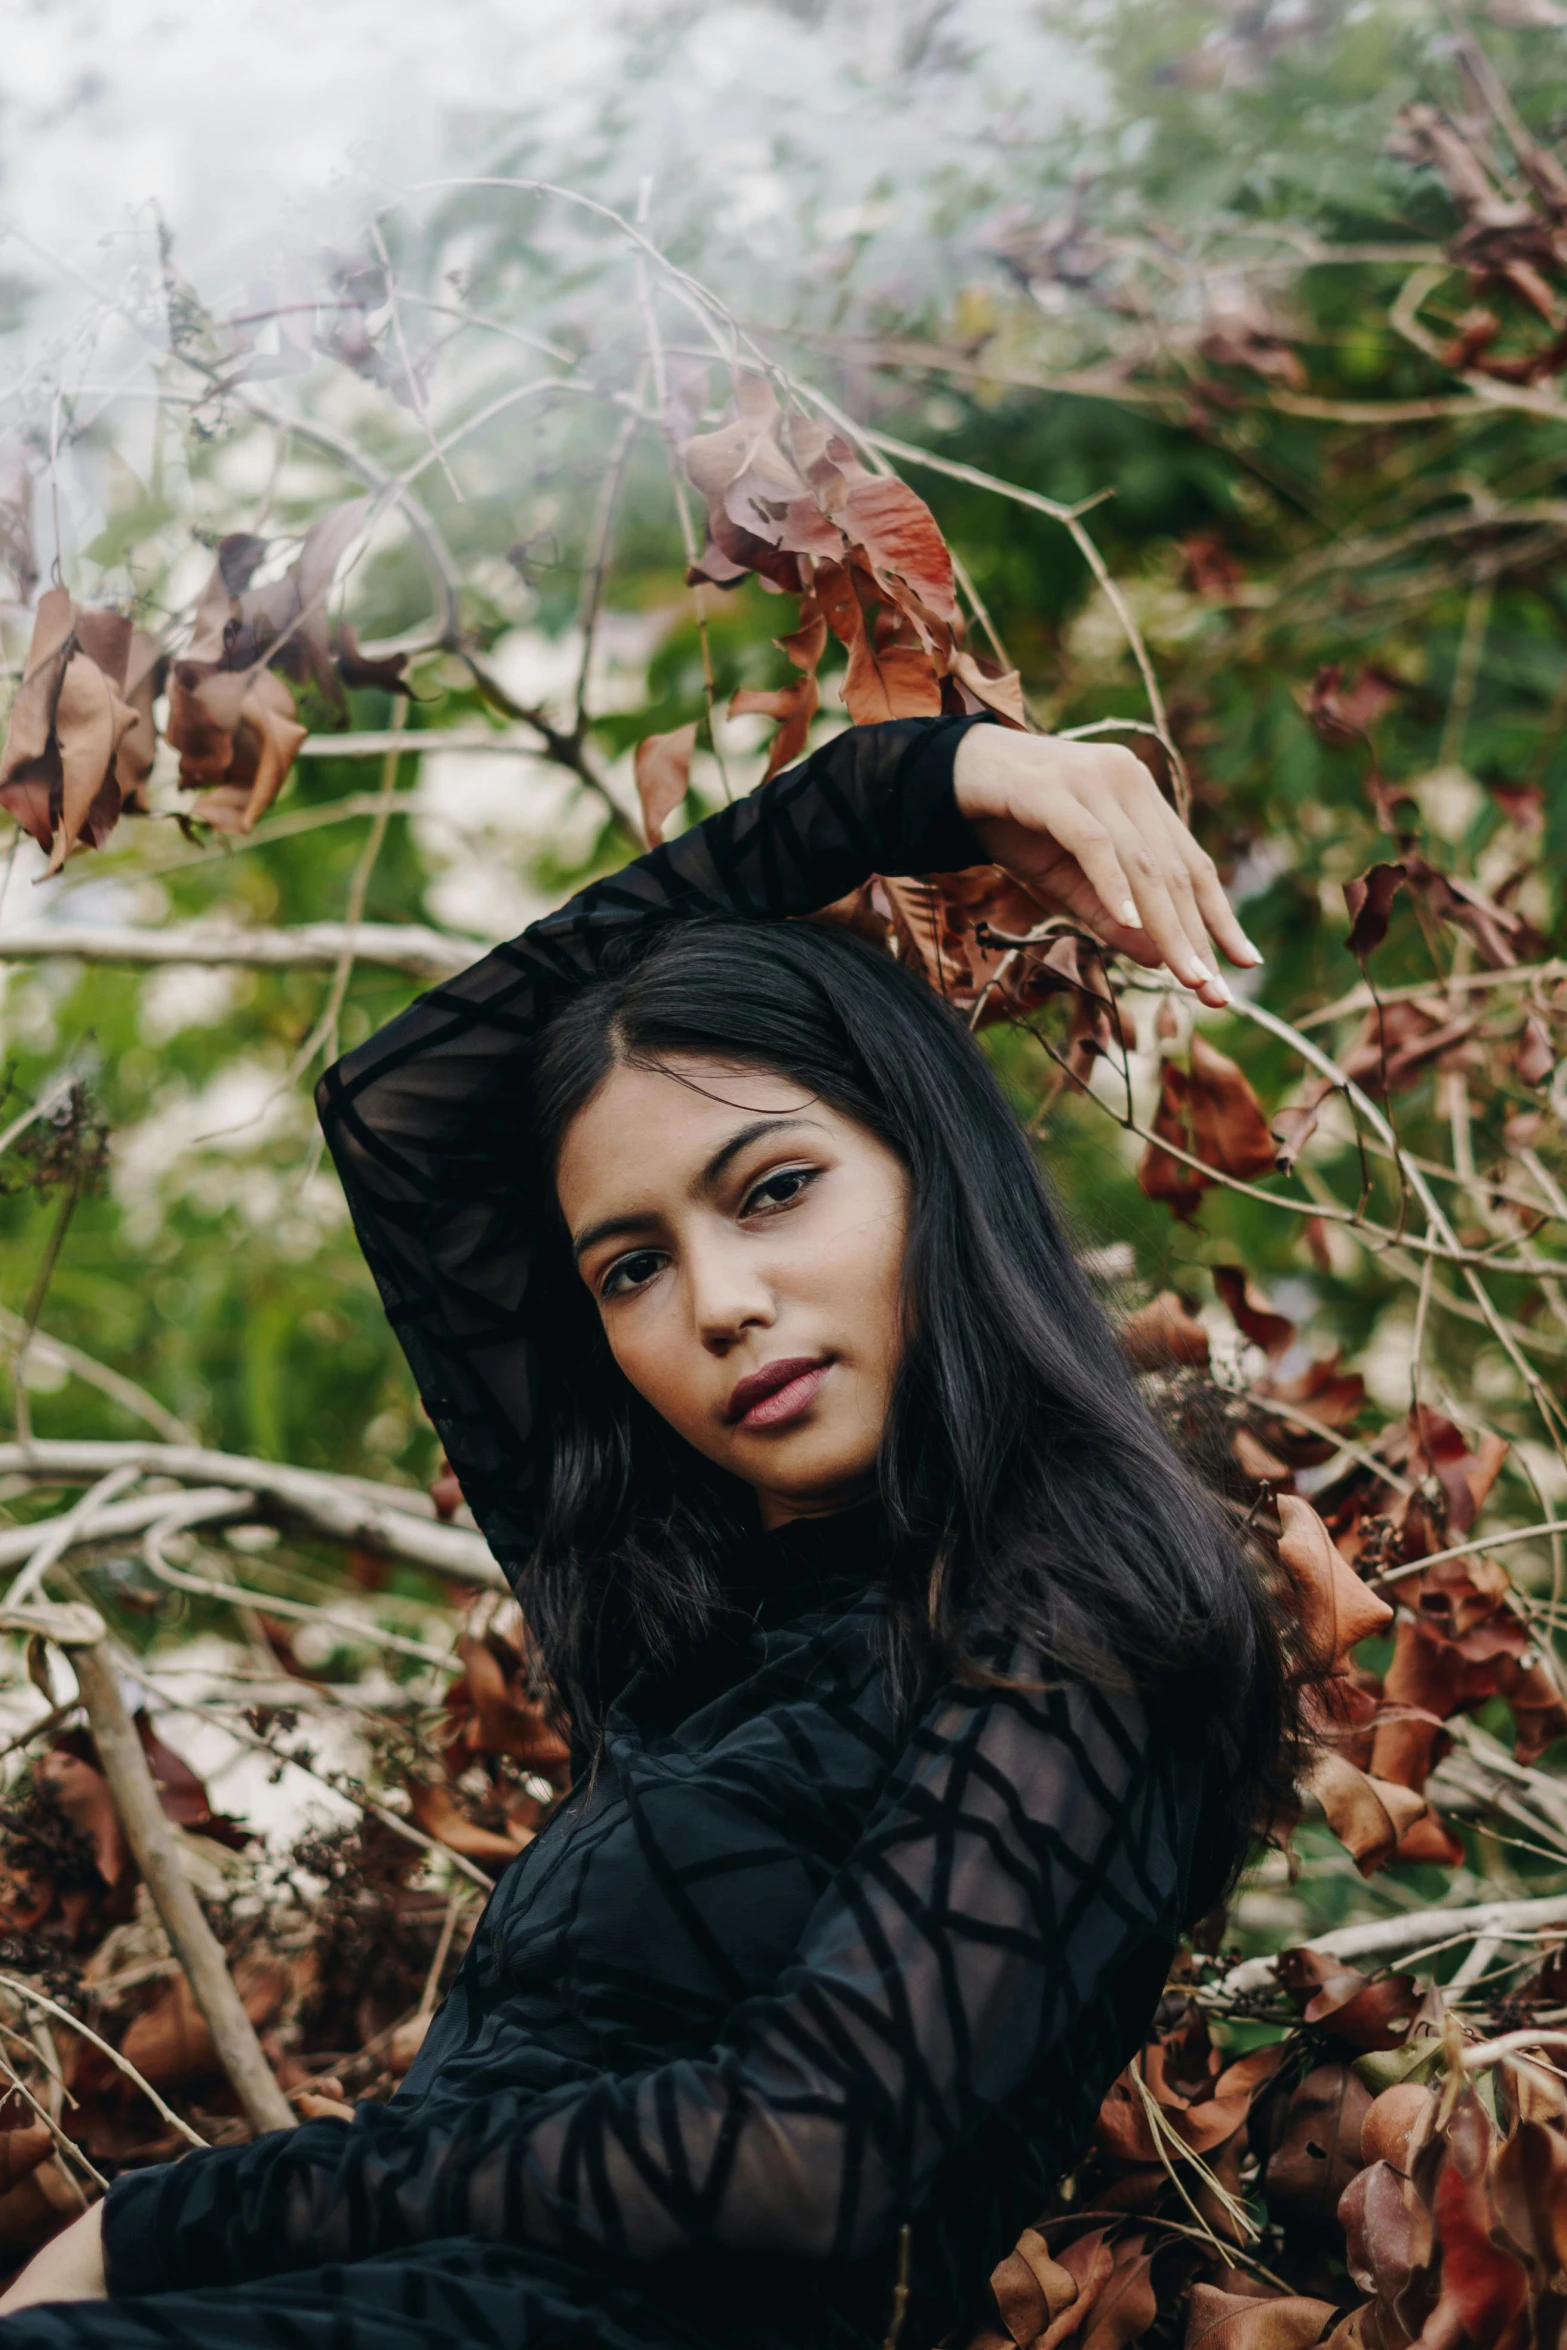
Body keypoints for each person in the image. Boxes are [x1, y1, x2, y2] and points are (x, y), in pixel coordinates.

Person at [0, 714, 1294, 2350]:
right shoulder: (678, 1618)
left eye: (770, 1190)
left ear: (932, 1169)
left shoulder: (1086, 1603)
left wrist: (176, 2215)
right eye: (630, 1267)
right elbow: (410, 1109)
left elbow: (799, 2159)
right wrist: (904, 783)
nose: (721, 1304)